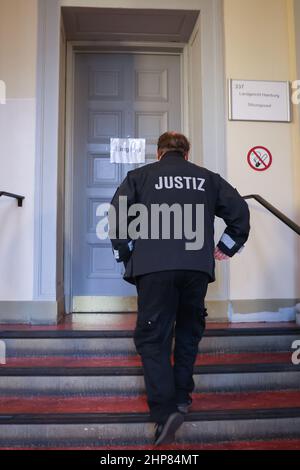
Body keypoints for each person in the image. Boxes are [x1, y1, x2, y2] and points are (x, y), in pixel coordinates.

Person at [109, 132, 250, 446]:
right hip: (195, 269)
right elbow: (239, 212)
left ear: (159, 153)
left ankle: (165, 412)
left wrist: (128, 253)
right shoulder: (207, 178)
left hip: (154, 269)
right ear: (187, 154)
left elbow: (117, 215)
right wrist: (227, 247)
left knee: (152, 337)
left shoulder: (140, 177)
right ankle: (183, 396)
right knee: (188, 330)